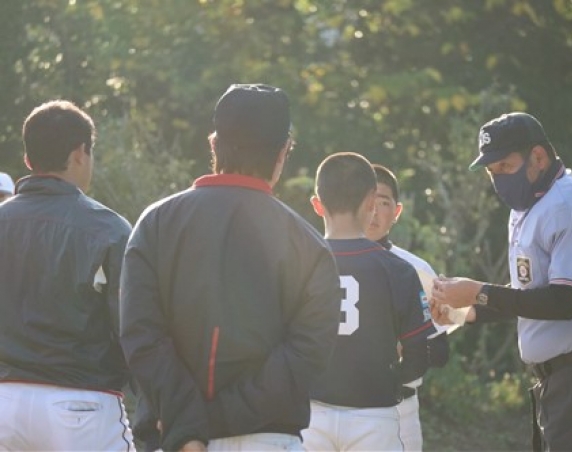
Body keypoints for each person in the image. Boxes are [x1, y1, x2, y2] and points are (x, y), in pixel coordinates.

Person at [119, 84, 343, 452]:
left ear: (213, 144)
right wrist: (211, 420)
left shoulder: (155, 223)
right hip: (266, 437)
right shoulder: (308, 243)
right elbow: (306, 353)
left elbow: (140, 333)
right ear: (283, 151)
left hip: (173, 434)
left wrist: (189, 425)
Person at [429, 112, 572, 451]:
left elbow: (565, 301)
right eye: (492, 171)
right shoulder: (529, 208)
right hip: (563, 382)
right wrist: (465, 311)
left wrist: (479, 292)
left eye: (505, 166)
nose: (499, 178)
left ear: (539, 157)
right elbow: (529, 297)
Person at [0, 100, 135, 450]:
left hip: (4, 403)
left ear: (28, 159)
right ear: (80, 153)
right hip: (81, 403)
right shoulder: (108, 227)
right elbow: (131, 325)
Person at [302, 152, 437, 451]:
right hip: (374, 416)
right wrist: (389, 385)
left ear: (317, 204)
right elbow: (419, 354)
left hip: (311, 414)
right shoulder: (398, 269)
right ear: (371, 203)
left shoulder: (297, 264)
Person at [365, 163, 450, 451]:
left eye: (383, 202)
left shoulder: (415, 268)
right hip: (331, 407)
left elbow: (440, 352)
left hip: (399, 409)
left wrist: (405, 346)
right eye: (367, 201)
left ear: (397, 211)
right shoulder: (324, 259)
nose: (374, 211)